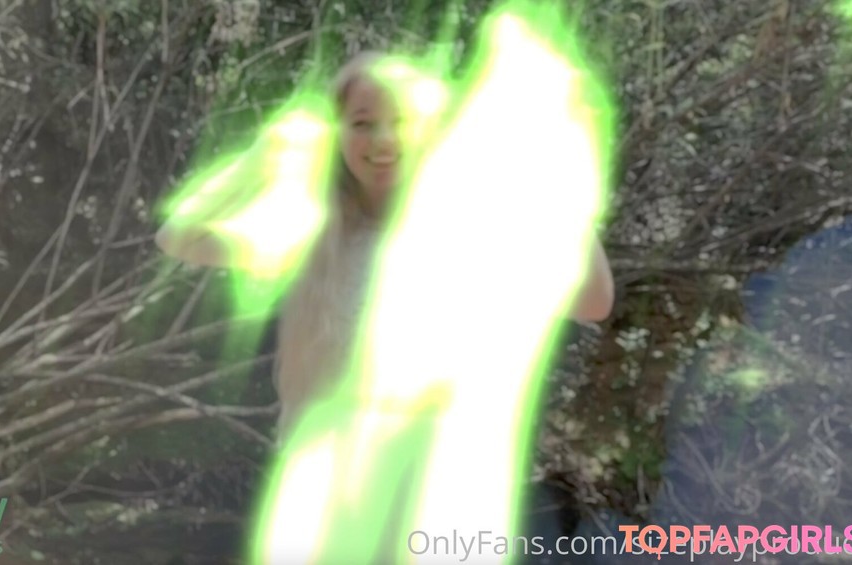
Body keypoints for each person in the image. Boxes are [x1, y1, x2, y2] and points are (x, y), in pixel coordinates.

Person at [155, 51, 616, 441]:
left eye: (401, 122)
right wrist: (264, 155)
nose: (383, 140)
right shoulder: (310, 232)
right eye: (362, 123)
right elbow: (178, 237)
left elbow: (592, 300)